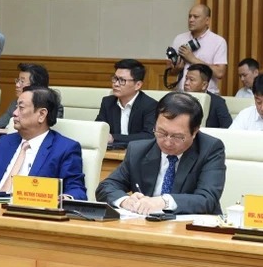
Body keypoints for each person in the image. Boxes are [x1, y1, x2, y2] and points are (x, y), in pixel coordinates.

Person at [96, 92, 226, 215]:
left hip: (191, 227)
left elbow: (207, 199)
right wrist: (125, 201)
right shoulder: (139, 150)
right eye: (161, 133)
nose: (167, 142)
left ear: (195, 132)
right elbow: (106, 187)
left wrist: (164, 202)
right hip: (145, 224)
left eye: (177, 136)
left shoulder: (209, 149)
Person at [0, 87, 87, 199]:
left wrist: (63, 198)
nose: (14, 113)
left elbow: (76, 190)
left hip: (28, 213)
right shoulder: (5, 142)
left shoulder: (64, 148)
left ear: (42, 115)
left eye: (21, 108)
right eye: (16, 107)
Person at [95, 59, 157, 144]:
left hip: (138, 151)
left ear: (138, 85)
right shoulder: (108, 102)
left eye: (122, 80)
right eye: (115, 78)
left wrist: (113, 138)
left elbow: (149, 135)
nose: (116, 84)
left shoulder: (150, 105)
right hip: (111, 150)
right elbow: (98, 128)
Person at [168, 4, 227, 94]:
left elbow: (220, 73)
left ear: (207, 20)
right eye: (190, 16)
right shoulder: (179, 39)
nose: (191, 20)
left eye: (196, 17)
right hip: (181, 94)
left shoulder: (218, 41)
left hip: (207, 95)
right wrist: (177, 69)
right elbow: (170, 71)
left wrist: (193, 59)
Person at [0, 63, 63, 133]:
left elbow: (44, 132)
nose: (17, 85)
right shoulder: (15, 103)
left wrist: (9, 129)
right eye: (18, 80)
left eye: (22, 81)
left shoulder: (52, 106)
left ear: (36, 86)